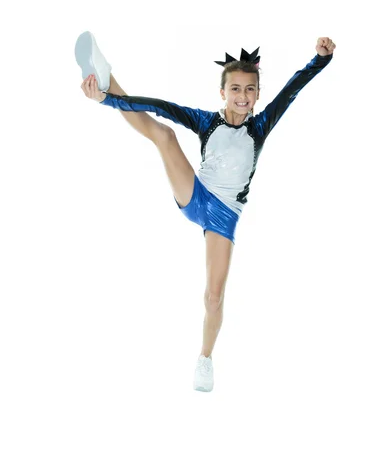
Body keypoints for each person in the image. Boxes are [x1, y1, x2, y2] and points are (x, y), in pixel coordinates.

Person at [75, 31, 336, 392]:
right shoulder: (206, 122)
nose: (242, 97)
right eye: (235, 89)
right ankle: (108, 79)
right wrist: (106, 99)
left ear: (258, 94)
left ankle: (205, 358)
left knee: (214, 296)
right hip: (196, 195)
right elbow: (161, 106)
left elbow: (293, 89)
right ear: (222, 92)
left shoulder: (260, 126)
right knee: (163, 135)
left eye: (249, 89)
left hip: (224, 217)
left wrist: (320, 60)